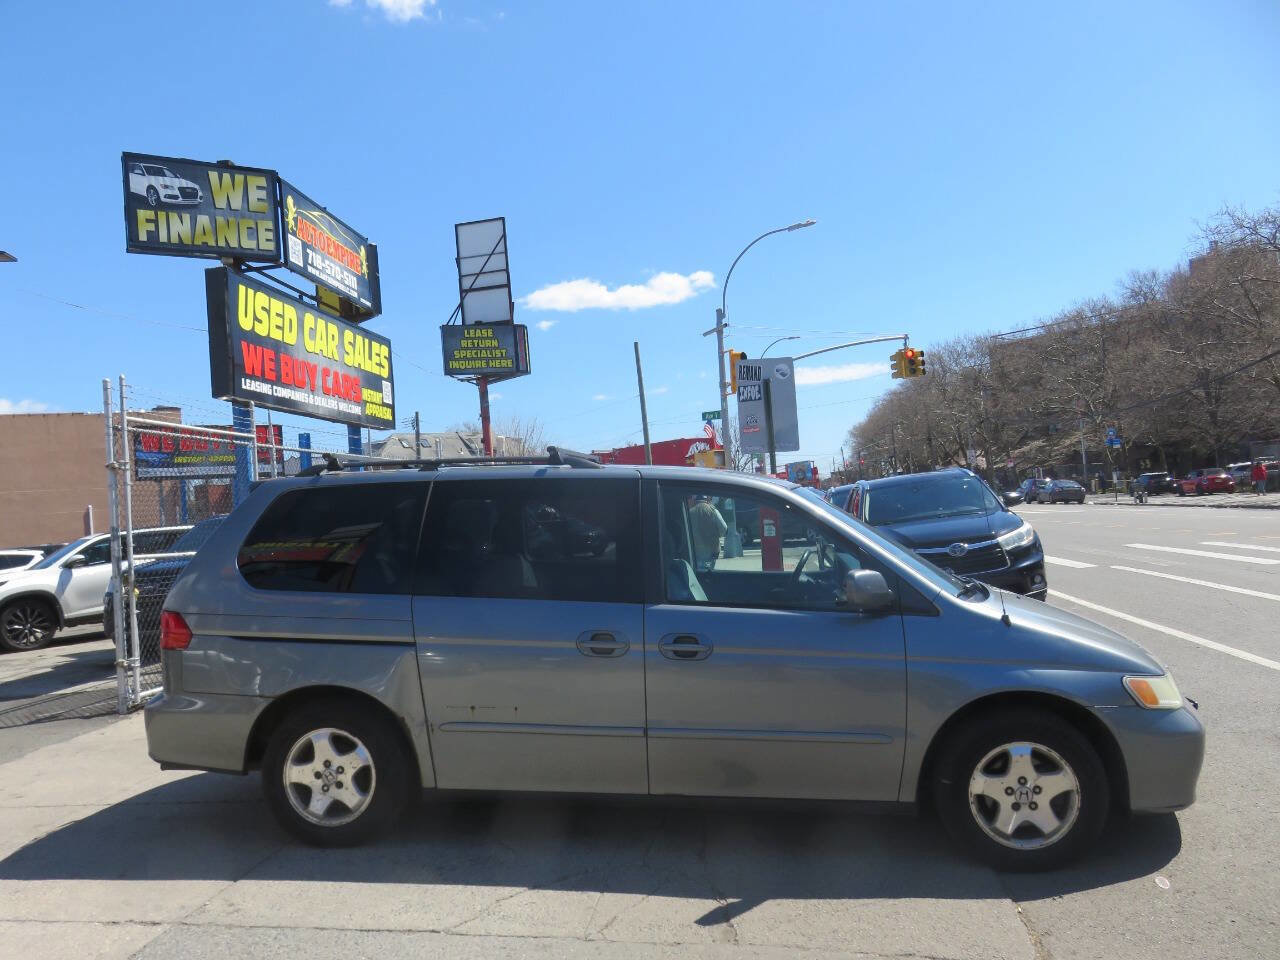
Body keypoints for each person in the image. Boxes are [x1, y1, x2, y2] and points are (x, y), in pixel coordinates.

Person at [688, 495, 727, 571]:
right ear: (707, 499)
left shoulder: (690, 512)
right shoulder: (713, 510)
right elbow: (724, 529)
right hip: (712, 550)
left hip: (695, 551)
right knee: (709, 572)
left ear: (695, 500)